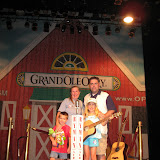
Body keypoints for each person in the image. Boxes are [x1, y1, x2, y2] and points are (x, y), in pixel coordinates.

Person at [84, 76, 117, 160]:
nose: (93, 85)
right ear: (89, 85)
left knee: (100, 153)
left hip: (101, 130)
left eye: (95, 83)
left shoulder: (105, 96)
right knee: (88, 155)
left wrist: (103, 117)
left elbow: (112, 110)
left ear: (99, 85)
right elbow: (85, 112)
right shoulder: (86, 97)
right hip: (87, 133)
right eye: (91, 84)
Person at [56, 86, 83, 159]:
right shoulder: (66, 101)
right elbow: (59, 113)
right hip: (66, 130)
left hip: (77, 131)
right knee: (63, 151)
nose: (75, 93)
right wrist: (58, 125)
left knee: (74, 151)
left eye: (76, 91)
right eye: (73, 91)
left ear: (79, 93)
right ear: (70, 93)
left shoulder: (80, 103)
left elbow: (83, 116)